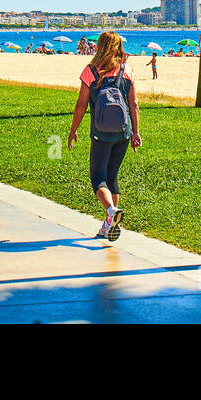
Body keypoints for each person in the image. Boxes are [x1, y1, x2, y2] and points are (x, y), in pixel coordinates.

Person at [67, 31, 141, 243]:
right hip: (123, 132)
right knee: (112, 177)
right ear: (118, 47)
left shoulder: (90, 71)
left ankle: (110, 211)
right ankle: (109, 226)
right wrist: (135, 132)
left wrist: (73, 130)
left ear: (99, 46)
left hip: (100, 132)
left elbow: (81, 104)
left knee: (98, 178)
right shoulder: (127, 70)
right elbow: (133, 104)